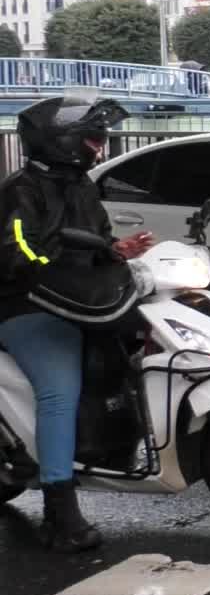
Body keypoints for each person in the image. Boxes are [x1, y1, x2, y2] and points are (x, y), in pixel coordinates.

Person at [0, 94, 153, 553]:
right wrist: (49, 265)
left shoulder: (81, 185)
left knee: (132, 355)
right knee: (58, 391)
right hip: (25, 305)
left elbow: (98, 239)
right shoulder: (20, 189)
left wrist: (115, 251)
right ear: (60, 140)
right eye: (91, 137)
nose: (98, 145)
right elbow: (17, 249)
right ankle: (59, 512)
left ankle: (109, 446)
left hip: (82, 300)